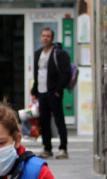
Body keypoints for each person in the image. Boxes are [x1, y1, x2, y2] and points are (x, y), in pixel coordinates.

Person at [30, 28, 71, 159]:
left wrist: (59, 90)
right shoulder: (38, 54)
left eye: (48, 36)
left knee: (59, 120)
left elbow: (66, 73)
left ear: (52, 38)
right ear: (40, 38)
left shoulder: (59, 54)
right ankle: (47, 148)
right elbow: (37, 74)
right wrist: (34, 90)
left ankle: (63, 148)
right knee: (44, 122)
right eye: (43, 36)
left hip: (54, 92)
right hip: (42, 93)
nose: (45, 38)